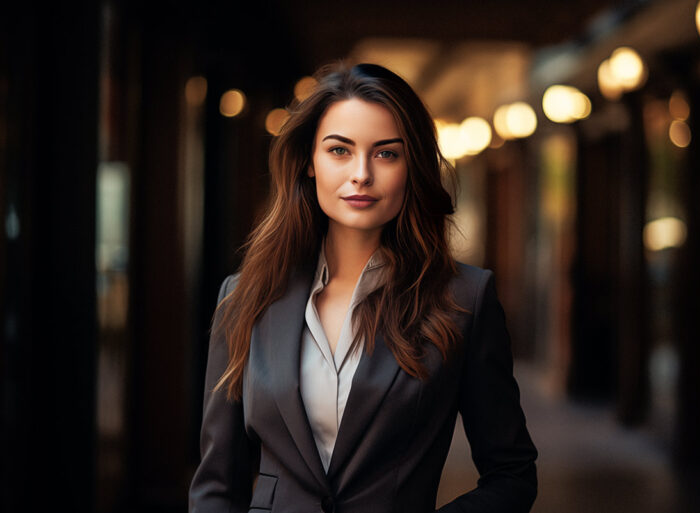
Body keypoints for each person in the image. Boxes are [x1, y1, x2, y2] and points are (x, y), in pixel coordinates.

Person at [189, 62, 537, 513]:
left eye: (386, 153)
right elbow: (217, 484)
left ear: (412, 166)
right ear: (308, 162)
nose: (361, 174)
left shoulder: (464, 299)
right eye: (339, 150)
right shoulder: (244, 299)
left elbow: (512, 475)